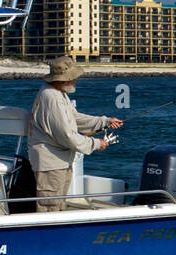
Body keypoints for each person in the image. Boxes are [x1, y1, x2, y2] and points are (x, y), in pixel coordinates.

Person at [27, 56, 123, 212]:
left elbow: (75, 118)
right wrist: (96, 144)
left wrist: (104, 121)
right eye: (73, 77)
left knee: (58, 205)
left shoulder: (58, 93)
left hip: (59, 161)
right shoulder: (51, 98)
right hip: (51, 164)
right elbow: (67, 136)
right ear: (63, 79)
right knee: (50, 208)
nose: (75, 80)